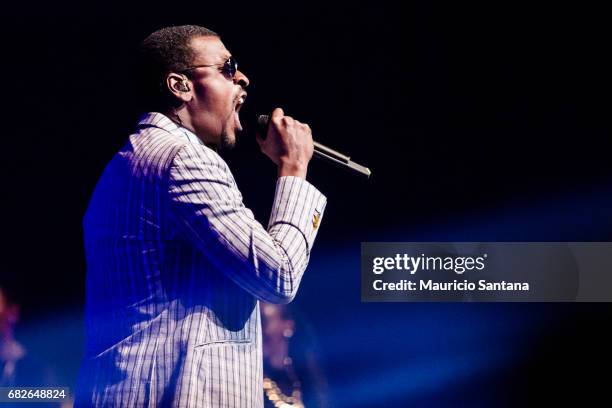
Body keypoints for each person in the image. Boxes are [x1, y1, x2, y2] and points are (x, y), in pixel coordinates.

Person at [75, 25, 327, 407]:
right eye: (228, 67)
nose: (243, 78)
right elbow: (279, 275)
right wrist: (293, 169)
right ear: (180, 85)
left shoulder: (127, 162)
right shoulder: (182, 158)